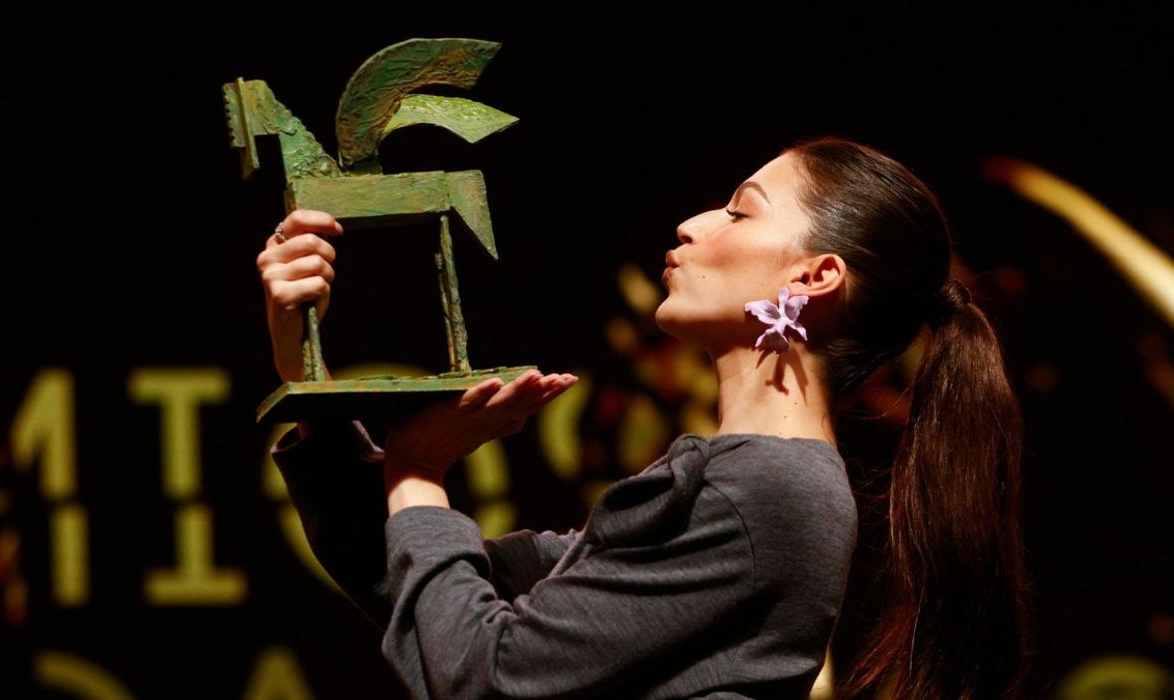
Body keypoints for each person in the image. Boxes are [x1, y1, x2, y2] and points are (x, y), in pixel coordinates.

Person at [256, 136, 1030, 699]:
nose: (693, 224)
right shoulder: (745, 483)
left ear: (813, 276)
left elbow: (479, 677)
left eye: (739, 212)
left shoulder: (765, 491)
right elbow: (420, 594)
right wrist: (304, 363)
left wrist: (420, 470)